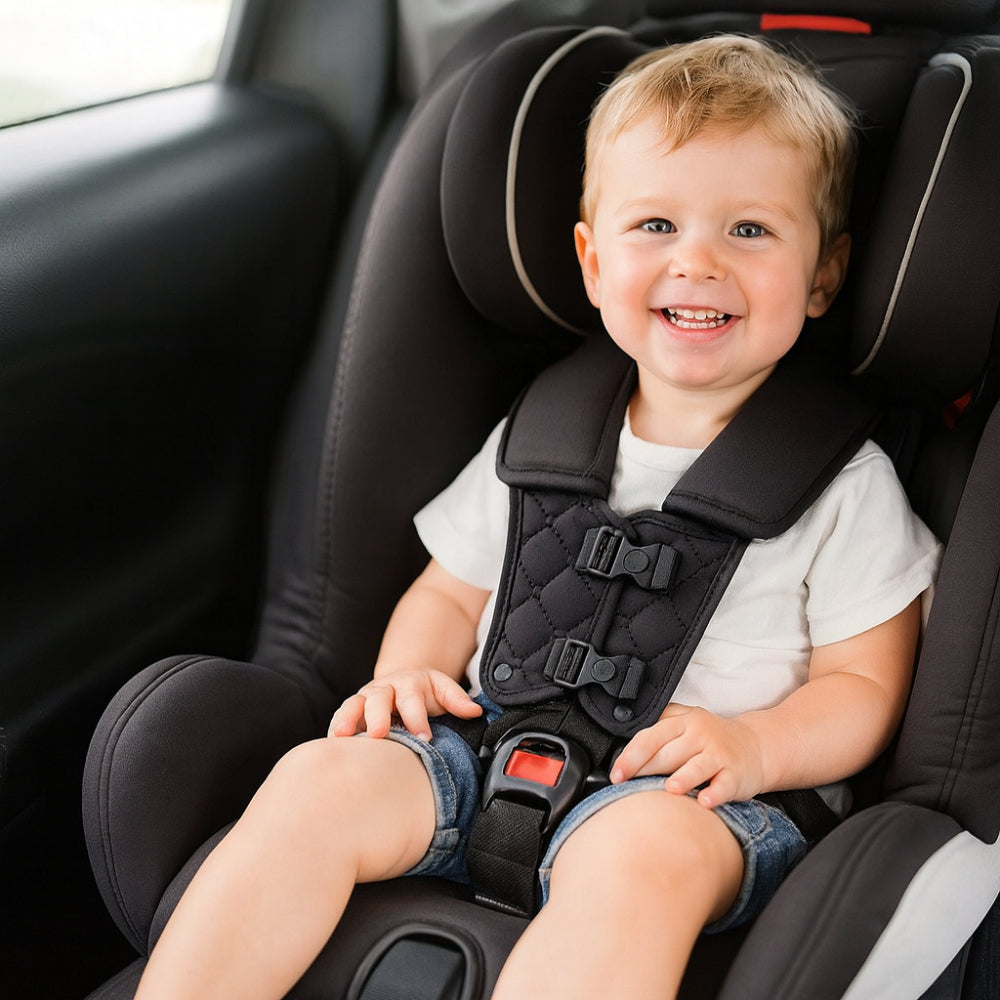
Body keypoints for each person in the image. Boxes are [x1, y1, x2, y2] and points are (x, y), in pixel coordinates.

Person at [135, 34, 942, 1000]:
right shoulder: (541, 436)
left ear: (824, 275)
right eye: (655, 226)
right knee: (316, 781)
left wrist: (757, 746)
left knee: (643, 855)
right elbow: (449, 590)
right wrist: (409, 679)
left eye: (751, 231)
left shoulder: (846, 485)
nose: (698, 262)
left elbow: (867, 686)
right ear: (592, 261)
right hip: (483, 753)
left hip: (700, 800)